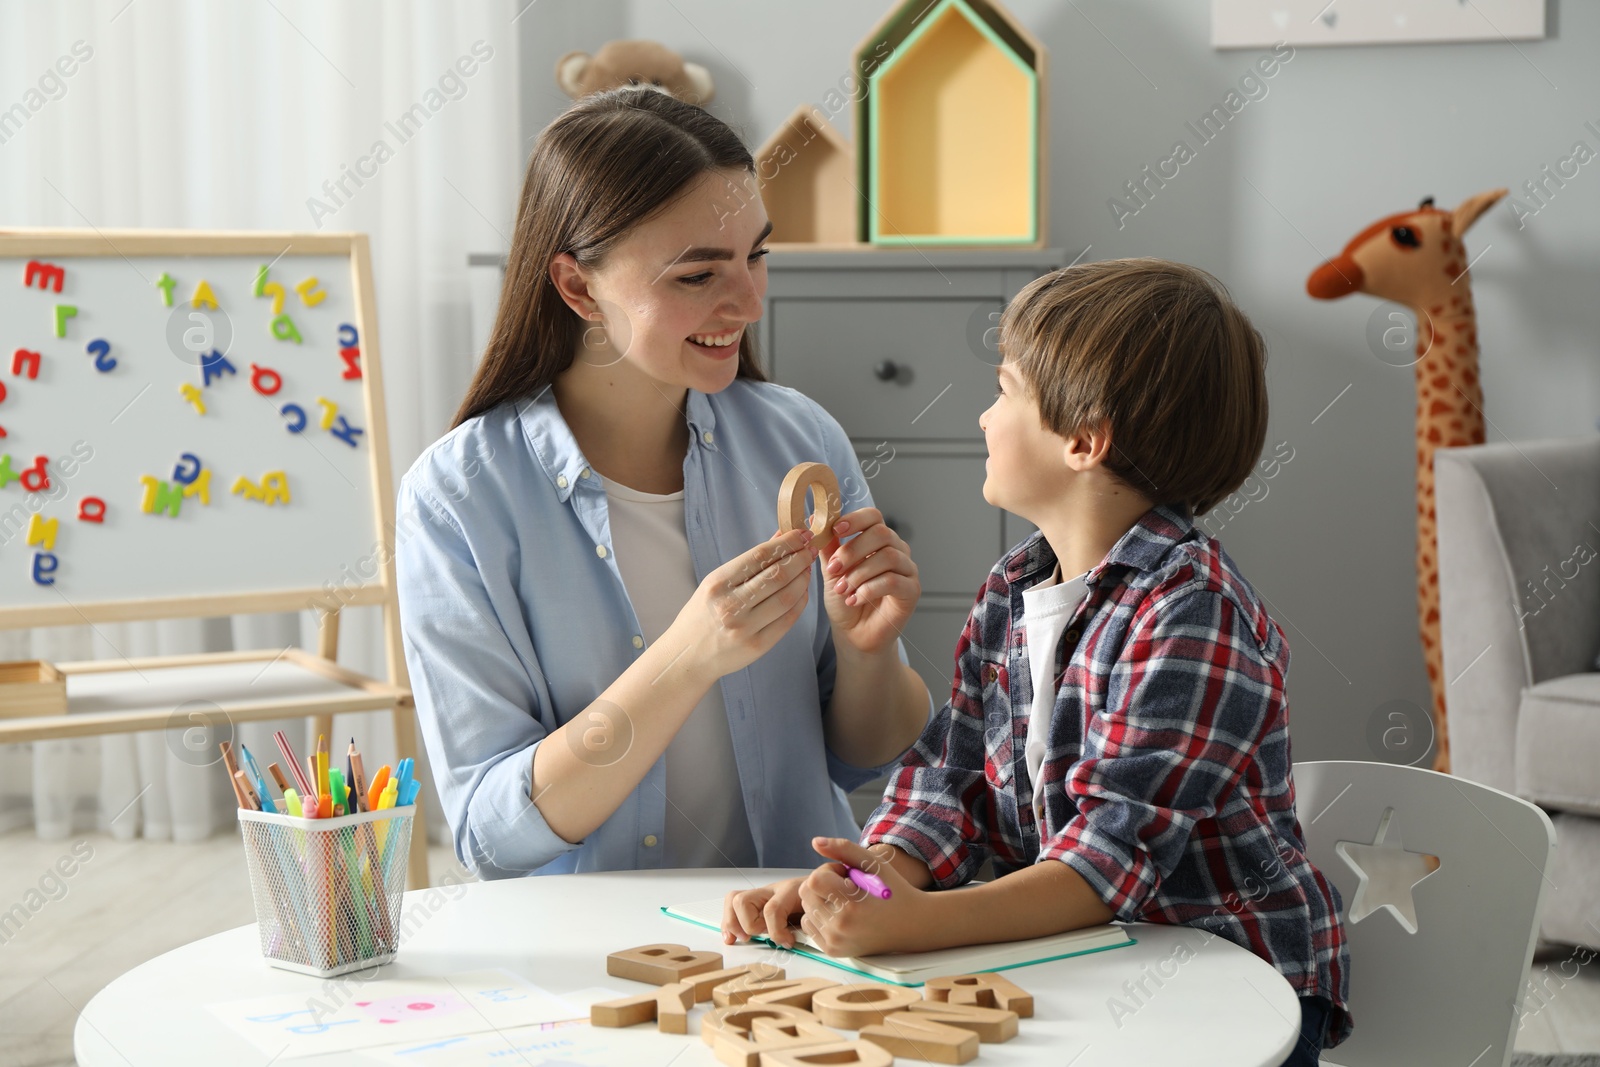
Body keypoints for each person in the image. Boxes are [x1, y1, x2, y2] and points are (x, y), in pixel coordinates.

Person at [721, 259, 1353, 1064]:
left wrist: (922, 922)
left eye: (1004, 391)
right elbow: (953, 788)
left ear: (1084, 440)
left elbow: (1106, 859)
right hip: (1084, 965)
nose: (984, 418)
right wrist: (866, 886)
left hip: (1228, 989)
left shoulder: (1194, 611)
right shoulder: (1012, 590)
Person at [394, 86, 934, 880]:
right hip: (592, 955)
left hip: (791, 933)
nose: (748, 301)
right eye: (696, 275)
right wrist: (687, 657)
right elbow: (490, 833)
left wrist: (868, 653)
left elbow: (869, 759)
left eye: (757, 256)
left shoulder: (803, 439)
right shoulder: (459, 497)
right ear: (578, 288)